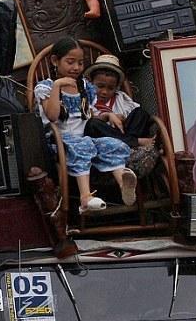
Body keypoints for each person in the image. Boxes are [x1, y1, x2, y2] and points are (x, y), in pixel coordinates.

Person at [34, 37, 137, 214]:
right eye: (70, 62)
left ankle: (124, 185)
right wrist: (58, 85)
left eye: (80, 63)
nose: (76, 67)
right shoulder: (46, 87)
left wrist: (108, 115)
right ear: (55, 61)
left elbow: (91, 115)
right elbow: (52, 116)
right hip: (57, 142)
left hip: (84, 138)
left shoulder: (85, 87)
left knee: (113, 144)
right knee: (84, 145)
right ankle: (85, 198)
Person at [82, 54, 160, 178]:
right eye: (100, 86)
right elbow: (85, 120)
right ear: (91, 82)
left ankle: (130, 144)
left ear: (117, 87)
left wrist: (122, 117)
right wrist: (108, 115)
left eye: (110, 88)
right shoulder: (87, 99)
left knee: (140, 113)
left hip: (123, 133)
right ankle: (136, 142)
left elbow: (132, 116)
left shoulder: (120, 98)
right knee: (92, 124)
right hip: (103, 141)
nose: (104, 92)